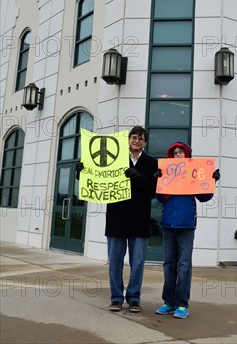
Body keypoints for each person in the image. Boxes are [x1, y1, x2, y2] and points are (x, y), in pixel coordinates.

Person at [76, 125, 157, 313]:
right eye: (134, 137)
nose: (137, 141)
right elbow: (97, 177)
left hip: (139, 219)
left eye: (141, 138)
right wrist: (82, 172)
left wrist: (138, 176)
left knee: (138, 263)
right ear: (128, 139)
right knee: (115, 262)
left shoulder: (151, 163)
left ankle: (134, 298)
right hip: (116, 218)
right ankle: (116, 298)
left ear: (145, 142)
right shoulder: (115, 158)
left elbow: (154, 189)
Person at [155, 141, 220, 319]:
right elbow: (160, 198)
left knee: (184, 266)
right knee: (169, 265)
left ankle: (182, 304)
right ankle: (168, 302)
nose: (178, 155)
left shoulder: (193, 175)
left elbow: (204, 196)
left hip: (186, 225)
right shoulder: (167, 174)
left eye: (181, 152)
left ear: (187, 155)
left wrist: (211, 179)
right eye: (175, 153)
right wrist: (159, 178)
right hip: (168, 224)